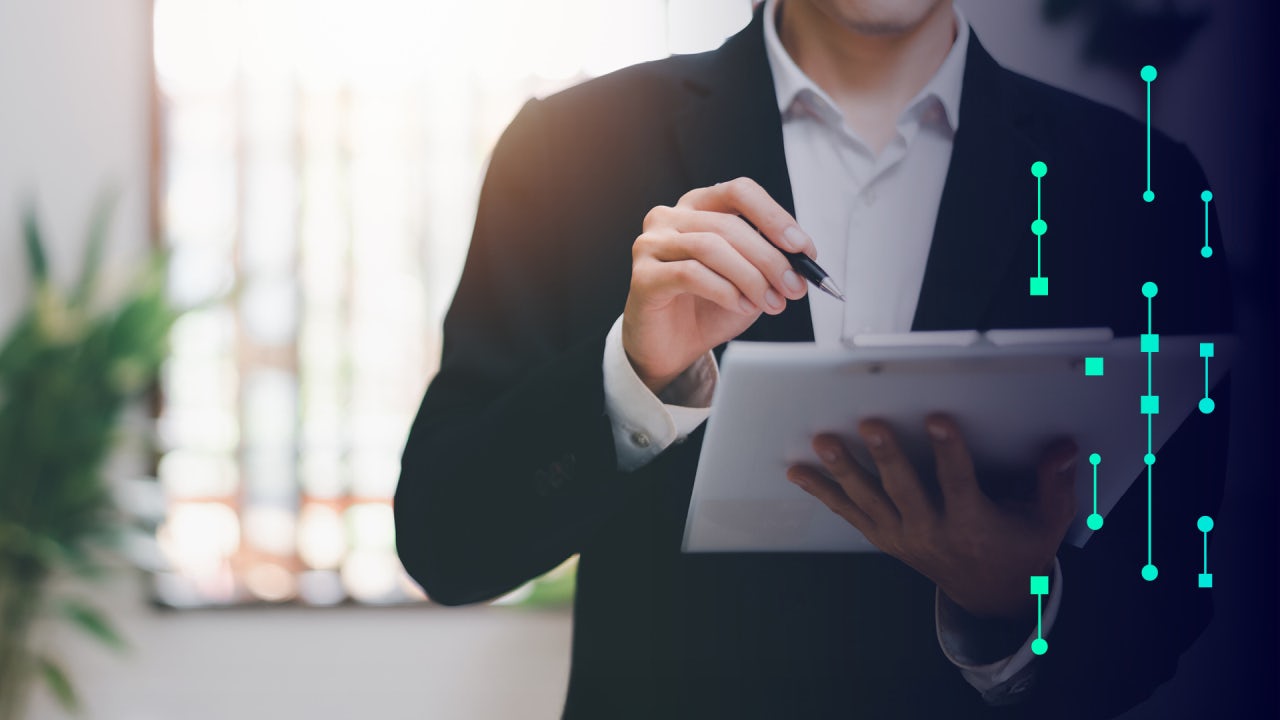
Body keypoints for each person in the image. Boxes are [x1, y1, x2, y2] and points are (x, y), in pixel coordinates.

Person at [395, 1, 1232, 717]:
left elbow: (1180, 602)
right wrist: (632, 377)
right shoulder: (569, 150)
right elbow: (446, 543)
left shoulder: (1143, 186)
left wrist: (1017, 605)